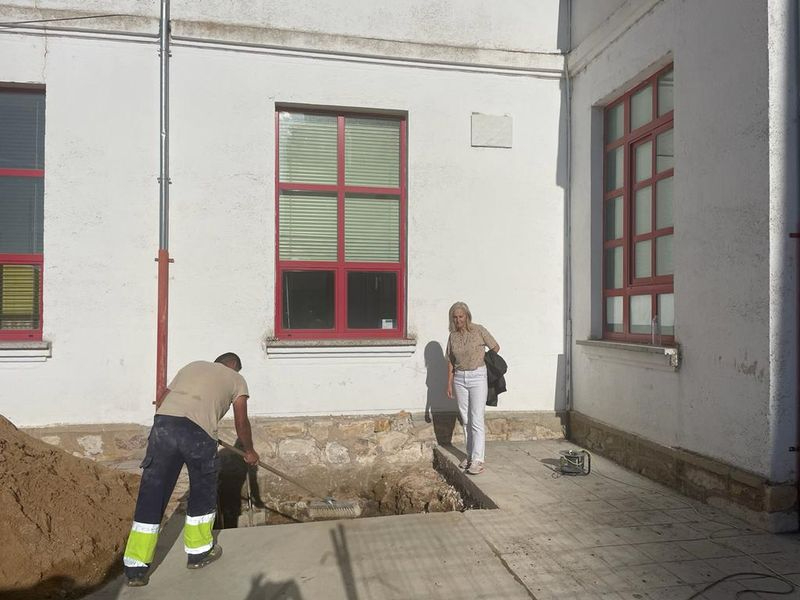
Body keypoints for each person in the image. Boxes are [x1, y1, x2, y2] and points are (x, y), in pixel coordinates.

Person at [122, 352, 259, 587]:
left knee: (152, 492)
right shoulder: (236, 379)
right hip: (198, 433)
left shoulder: (192, 366)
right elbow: (241, 421)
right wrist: (249, 451)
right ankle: (199, 553)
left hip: (163, 426)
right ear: (234, 367)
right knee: (202, 491)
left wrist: (173, 426)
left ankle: (136, 567)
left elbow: (164, 397)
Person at [446, 302, 499, 475]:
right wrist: (449, 383)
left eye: (461, 316)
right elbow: (451, 361)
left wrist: (483, 359)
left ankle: (478, 459)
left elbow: (495, 346)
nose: (458, 319)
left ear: (467, 316)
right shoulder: (452, 336)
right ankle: (469, 456)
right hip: (460, 378)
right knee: (465, 418)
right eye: (455, 317)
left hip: (477, 376)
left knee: (476, 418)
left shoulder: (478, 330)